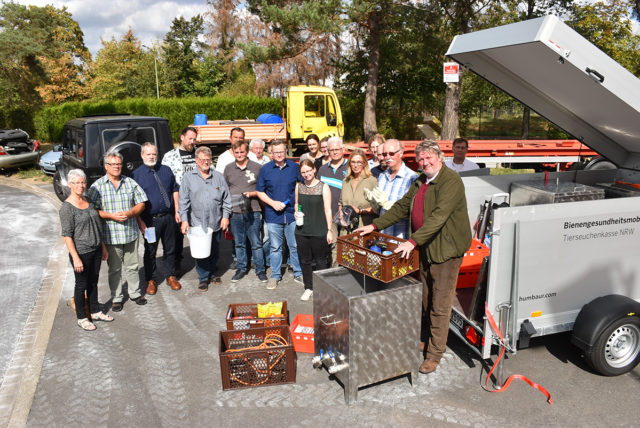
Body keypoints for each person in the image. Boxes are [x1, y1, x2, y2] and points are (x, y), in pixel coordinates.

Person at [355, 140, 471, 375]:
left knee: (440, 303)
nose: (424, 162)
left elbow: (439, 217)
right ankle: (429, 340)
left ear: (439, 157)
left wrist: (412, 241)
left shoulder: (451, 181)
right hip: (426, 247)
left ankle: (435, 353)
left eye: (429, 158)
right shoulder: (421, 181)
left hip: (445, 250)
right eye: (420, 159)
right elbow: (400, 207)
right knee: (426, 298)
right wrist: (375, 226)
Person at [87, 151, 148, 312]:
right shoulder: (97, 186)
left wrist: (130, 213)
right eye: (113, 164)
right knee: (114, 269)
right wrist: (110, 216)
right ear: (106, 166)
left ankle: (135, 294)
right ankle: (117, 298)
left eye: (119, 164)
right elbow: (92, 211)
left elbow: (141, 203)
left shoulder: (130, 183)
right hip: (111, 236)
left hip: (130, 234)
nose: (117, 167)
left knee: (133, 266)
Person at [60, 169, 113, 331]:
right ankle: (82, 317)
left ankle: (95, 310)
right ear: (70, 185)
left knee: (93, 281)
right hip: (81, 252)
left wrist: (102, 247)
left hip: (96, 249)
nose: (81, 186)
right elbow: (67, 235)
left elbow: (97, 225)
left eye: (83, 182)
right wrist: (75, 257)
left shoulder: (88, 200)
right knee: (81, 284)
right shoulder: (67, 208)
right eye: (77, 183)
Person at [179, 146, 232, 291]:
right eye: (202, 160)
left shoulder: (218, 177)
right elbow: (183, 201)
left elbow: (226, 199)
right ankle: (203, 278)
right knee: (201, 251)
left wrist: (226, 217)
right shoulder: (188, 178)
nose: (205, 162)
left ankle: (213, 271)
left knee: (214, 248)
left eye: (208, 160)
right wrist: (184, 220)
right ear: (196, 160)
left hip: (215, 220)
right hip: (197, 222)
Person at [133, 143, 181, 296]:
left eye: (154, 154)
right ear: (142, 155)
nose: (152, 157)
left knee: (170, 248)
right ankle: (151, 280)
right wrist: (140, 221)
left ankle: (170, 276)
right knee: (150, 251)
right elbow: (133, 201)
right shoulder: (136, 175)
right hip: (149, 221)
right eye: (148, 154)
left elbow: (174, 189)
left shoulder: (166, 170)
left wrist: (177, 211)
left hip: (168, 217)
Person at [256, 140, 303, 290]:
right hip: (273, 214)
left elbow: (303, 184)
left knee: (294, 245)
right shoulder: (265, 169)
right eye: (276, 152)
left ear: (286, 151)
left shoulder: (295, 167)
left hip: (291, 214)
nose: (279, 155)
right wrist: (272, 203)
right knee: (275, 247)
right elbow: (259, 191)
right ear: (271, 153)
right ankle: (275, 275)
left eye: (282, 151)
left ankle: (298, 272)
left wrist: (297, 203)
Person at [224, 140, 267, 283]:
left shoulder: (257, 168)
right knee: (239, 243)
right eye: (236, 152)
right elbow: (225, 189)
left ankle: (260, 269)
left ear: (247, 152)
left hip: (253, 210)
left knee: (256, 242)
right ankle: (242, 268)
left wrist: (253, 193)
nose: (239, 155)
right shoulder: (228, 168)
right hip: (235, 212)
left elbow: (263, 189)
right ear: (233, 152)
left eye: (242, 152)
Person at [294, 160, 333, 301]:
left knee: (321, 261)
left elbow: (328, 209)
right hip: (302, 230)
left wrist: (329, 230)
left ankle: (321, 289)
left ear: (314, 169)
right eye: (303, 172)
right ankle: (308, 287)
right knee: (305, 260)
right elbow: (297, 204)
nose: (306, 174)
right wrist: (296, 213)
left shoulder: (323, 187)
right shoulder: (299, 187)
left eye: (308, 171)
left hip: (319, 229)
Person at [162, 126, 198, 275]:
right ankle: (176, 263)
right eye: (190, 138)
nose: (192, 142)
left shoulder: (199, 153)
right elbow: (165, 179)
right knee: (177, 235)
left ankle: (204, 262)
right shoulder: (169, 156)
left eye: (194, 139)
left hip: (197, 200)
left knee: (199, 231)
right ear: (182, 137)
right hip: (179, 200)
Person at [376, 139, 417, 238]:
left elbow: (413, 210)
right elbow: (379, 209)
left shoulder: (412, 177)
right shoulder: (382, 177)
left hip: (400, 237)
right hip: (383, 235)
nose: (388, 157)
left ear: (401, 153)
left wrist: (391, 206)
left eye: (391, 153)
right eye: (385, 154)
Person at [339, 149, 378, 229]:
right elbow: (340, 203)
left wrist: (359, 211)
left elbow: (377, 208)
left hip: (364, 227)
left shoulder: (371, 181)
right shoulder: (345, 181)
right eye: (353, 162)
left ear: (364, 163)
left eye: (359, 162)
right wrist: (341, 214)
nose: (355, 165)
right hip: (346, 228)